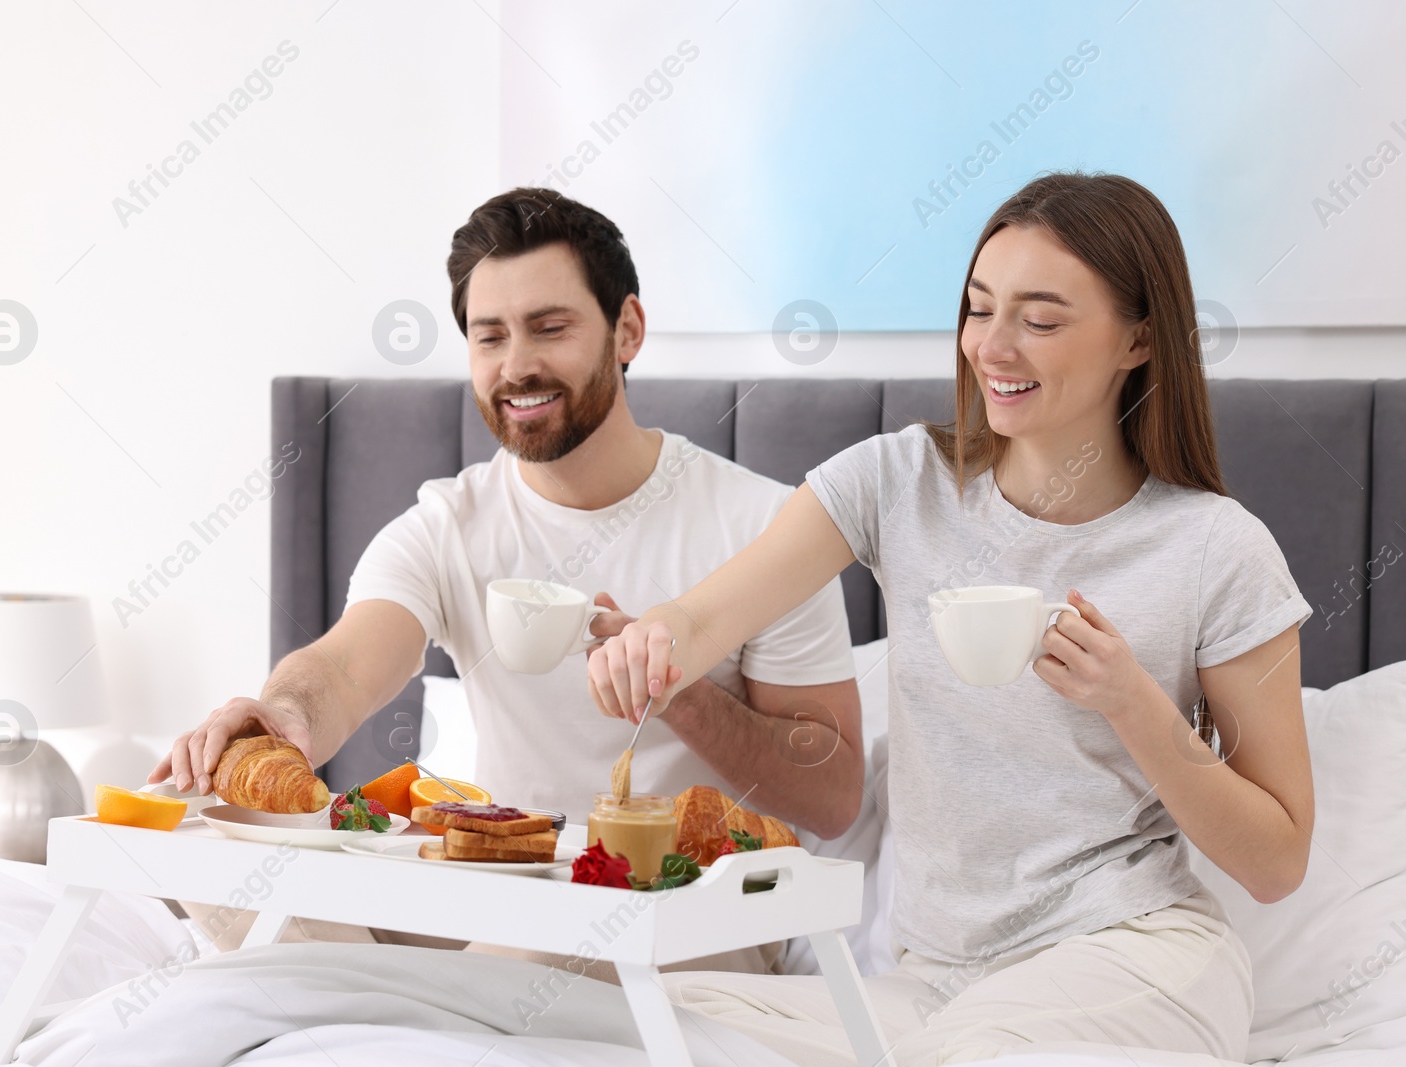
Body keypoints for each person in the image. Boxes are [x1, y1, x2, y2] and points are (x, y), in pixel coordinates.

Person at [588, 172, 1315, 1065]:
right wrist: (655, 640)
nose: (994, 347)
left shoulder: (1215, 548)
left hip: (1131, 956)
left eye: (1040, 320)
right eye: (978, 309)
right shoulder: (898, 482)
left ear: (1138, 338)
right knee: (646, 1020)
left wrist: (1134, 704)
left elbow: (1277, 861)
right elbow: (708, 613)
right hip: (932, 980)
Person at [151, 186, 862, 976]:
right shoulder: (447, 525)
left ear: (627, 329)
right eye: (489, 337)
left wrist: (682, 691)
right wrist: (280, 711)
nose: (516, 365)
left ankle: (402, 1006)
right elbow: (346, 666)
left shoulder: (768, 531)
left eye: (549, 328)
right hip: (498, 892)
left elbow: (831, 794)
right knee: (214, 865)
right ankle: (413, 1006)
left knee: (474, 962)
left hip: (684, 916)